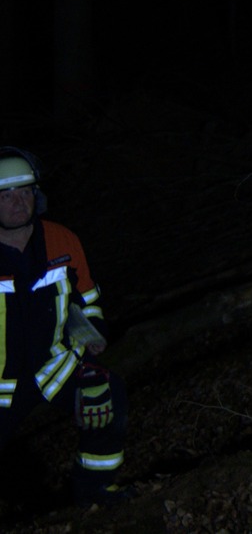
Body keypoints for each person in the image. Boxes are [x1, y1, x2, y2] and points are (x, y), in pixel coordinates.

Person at [0, 147, 128, 506]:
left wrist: (95, 331)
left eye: (24, 191)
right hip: (0, 383)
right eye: (6, 195)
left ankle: (95, 491)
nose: (17, 203)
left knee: (107, 395)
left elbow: (87, 297)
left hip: (54, 367)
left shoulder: (62, 240)